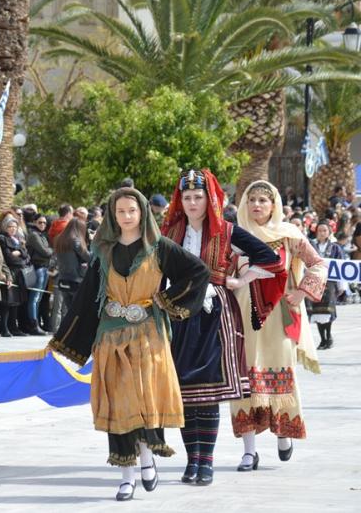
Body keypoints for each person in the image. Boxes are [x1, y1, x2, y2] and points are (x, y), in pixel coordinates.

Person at [50, 187, 209, 502]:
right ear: (113, 215)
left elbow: (198, 272)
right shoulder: (103, 251)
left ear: (142, 213)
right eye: (120, 211)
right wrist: (65, 340)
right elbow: (86, 298)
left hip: (148, 335)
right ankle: (126, 476)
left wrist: (165, 300)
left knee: (144, 400)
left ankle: (147, 457)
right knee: (118, 404)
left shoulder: (159, 247)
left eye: (131, 211)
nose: (126, 216)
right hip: (110, 337)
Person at [160, 170, 283, 486]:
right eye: (187, 197)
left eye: (198, 197)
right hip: (178, 314)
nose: (192, 203)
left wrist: (241, 280)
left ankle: (207, 461)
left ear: (209, 199)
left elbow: (271, 259)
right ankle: (192, 460)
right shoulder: (169, 232)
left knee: (209, 392)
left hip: (214, 314)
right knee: (185, 393)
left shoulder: (227, 231)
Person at [231, 180, 326, 471]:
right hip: (243, 316)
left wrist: (302, 292)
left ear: (274, 205)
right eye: (251, 200)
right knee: (243, 380)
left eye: (263, 200)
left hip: (279, 315)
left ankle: (283, 432)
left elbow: (318, 264)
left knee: (282, 374)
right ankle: (249, 451)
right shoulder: (234, 235)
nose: (256, 205)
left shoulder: (289, 236)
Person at [307, 220, 345, 350]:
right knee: (316, 310)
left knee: (327, 310)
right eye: (319, 230)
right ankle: (322, 339)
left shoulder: (335, 248)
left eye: (324, 230)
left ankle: (328, 337)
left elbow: (340, 267)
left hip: (330, 283)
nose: (322, 233)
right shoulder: (311, 246)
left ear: (329, 232)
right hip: (315, 282)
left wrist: (341, 286)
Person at [52, 218, 90, 330]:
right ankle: (75, 334)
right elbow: (88, 257)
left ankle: (68, 333)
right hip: (76, 280)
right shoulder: (75, 241)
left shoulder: (59, 239)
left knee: (69, 311)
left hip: (63, 280)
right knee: (78, 312)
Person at [0, 216, 30, 337]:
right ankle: (4, 327)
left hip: (19, 273)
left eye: (15, 227)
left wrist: (20, 253)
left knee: (16, 302)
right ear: (5, 227)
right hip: (9, 272)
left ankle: (13, 327)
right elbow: (9, 257)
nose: (13, 229)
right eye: (10, 226)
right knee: (7, 302)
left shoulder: (18, 239)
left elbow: (27, 256)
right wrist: (21, 258)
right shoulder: (2, 239)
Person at [24, 213, 52, 335]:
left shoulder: (42, 235)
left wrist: (50, 251)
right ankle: (33, 324)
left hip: (45, 268)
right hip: (37, 268)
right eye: (40, 222)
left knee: (38, 298)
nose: (42, 225)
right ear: (35, 222)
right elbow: (45, 252)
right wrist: (52, 251)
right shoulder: (33, 235)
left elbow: (48, 252)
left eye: (44, 223)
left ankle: (36, 324)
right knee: (34, 298)